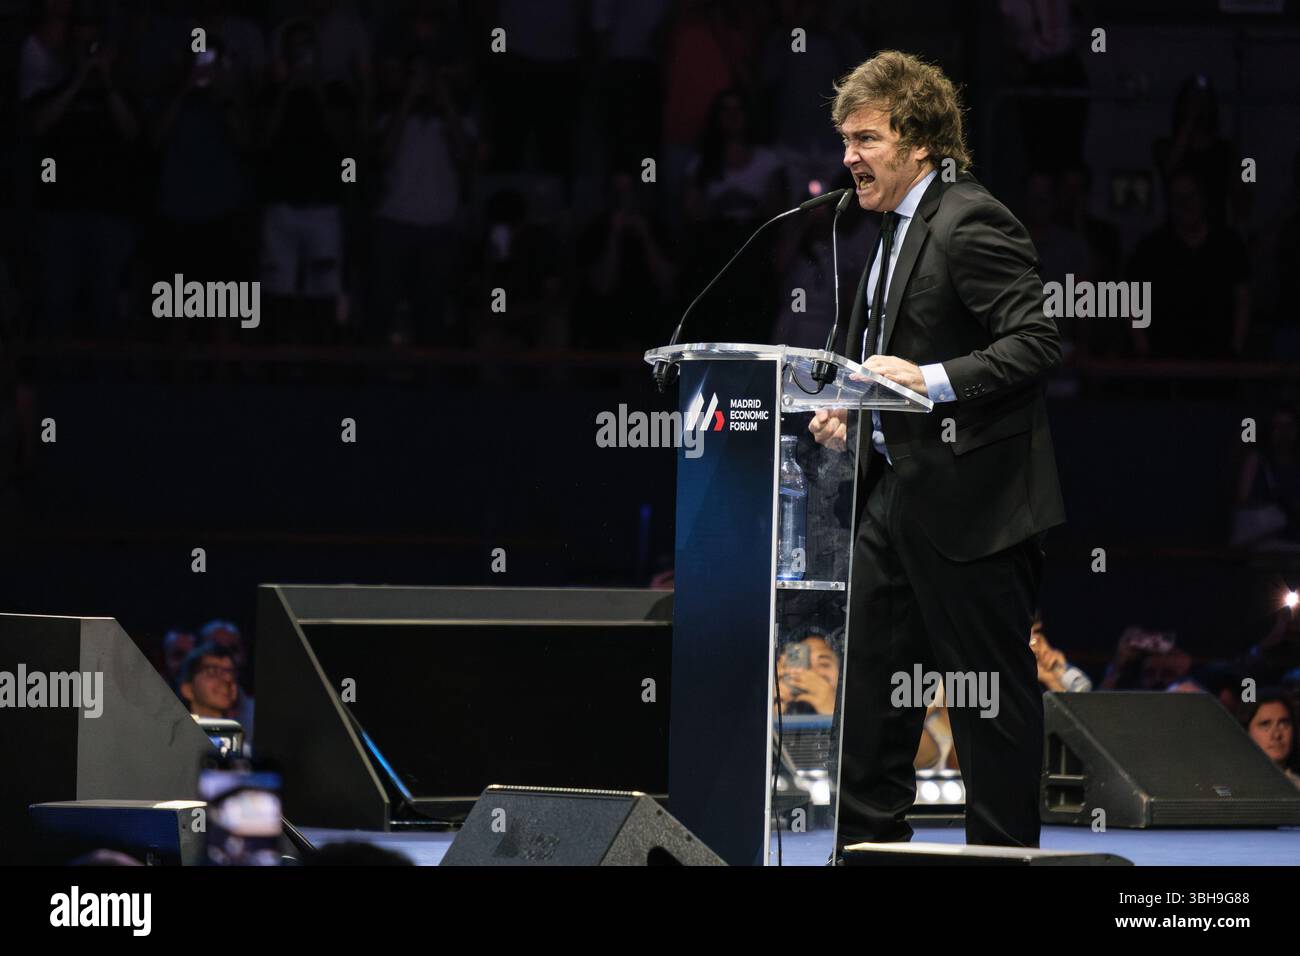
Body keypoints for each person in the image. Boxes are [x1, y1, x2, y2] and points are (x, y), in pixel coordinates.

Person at [808, 51, 1065, 852]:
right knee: (875, 701)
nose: (849, 156)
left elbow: (1038, 339)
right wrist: (844, 405)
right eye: (845, 139)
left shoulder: (969, 218)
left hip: (975, 505)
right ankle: (867, 854)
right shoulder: (888, 230)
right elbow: (867, 351)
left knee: (987, 703)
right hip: (891, 498)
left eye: (867, 138)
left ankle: (1000, 859)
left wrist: (930, 379)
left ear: (919, 141)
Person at [1237, 692, 1300, 790]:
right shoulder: (1230, 787)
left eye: (1284, 723)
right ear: (1246, 731)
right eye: (1265, 724)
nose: (1276, 735)